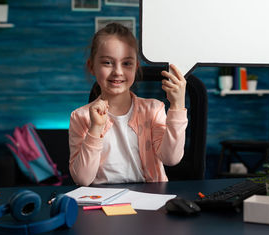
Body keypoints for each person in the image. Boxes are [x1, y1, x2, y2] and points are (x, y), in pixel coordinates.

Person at [69, 23, 188, 186]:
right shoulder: (80, 117)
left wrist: (177, 106)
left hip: (149, 199)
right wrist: (95, 128)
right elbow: (82, 179)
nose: (118, 71)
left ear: (136, 67)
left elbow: (171, 158)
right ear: (92, 66)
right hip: (101, 202)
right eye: (107, 63)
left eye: (126, 63)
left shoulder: (154, 109)